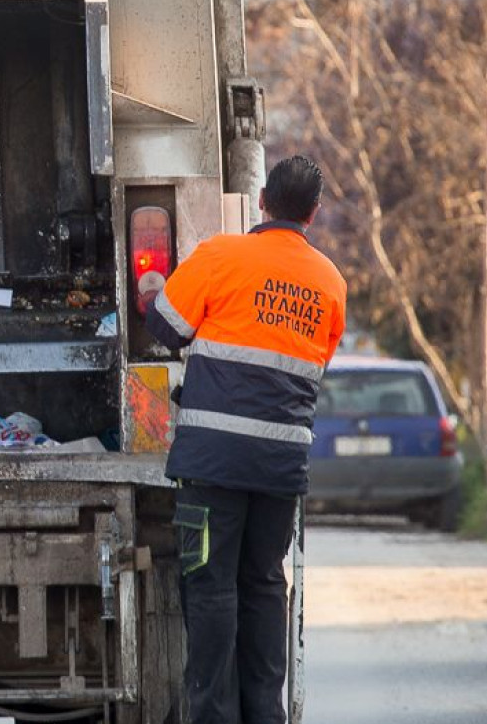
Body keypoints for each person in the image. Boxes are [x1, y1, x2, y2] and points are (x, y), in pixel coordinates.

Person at [143, 156, 346, 724]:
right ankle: (265, 715)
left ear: (262, 201)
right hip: (280, 468)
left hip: (212, 463)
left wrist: (154, 290)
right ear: (313, 214)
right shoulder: (331, 283)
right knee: (263, 584)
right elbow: (312, 364)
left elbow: (166, 328)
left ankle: (212, 716)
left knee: (210, 588)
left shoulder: (221, 256)